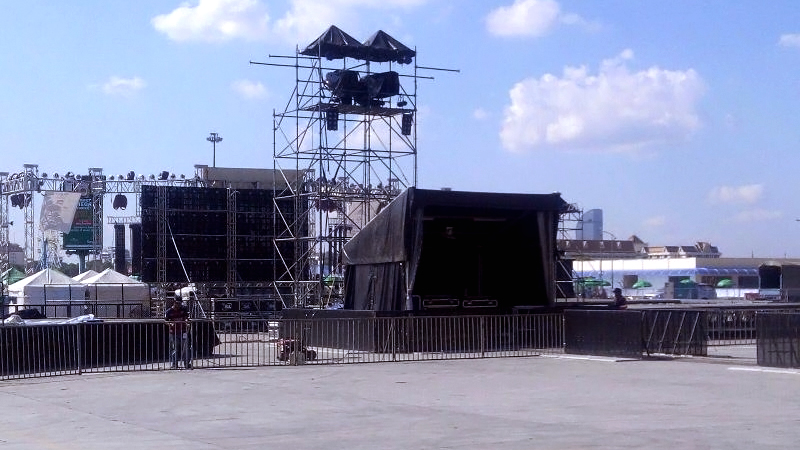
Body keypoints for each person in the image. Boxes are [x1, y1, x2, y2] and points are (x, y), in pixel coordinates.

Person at [165, 298, 192, 369]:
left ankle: (187, 363)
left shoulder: (183, 309)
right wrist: (170, 324)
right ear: (174, 303)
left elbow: (186, 317)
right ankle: (174, 364)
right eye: (177, 303)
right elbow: (166, 321)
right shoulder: (169, 311)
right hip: (173, 332)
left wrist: (187, 322)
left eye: (179, 303)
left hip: (183, 331)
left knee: (186, 348)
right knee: (174, 349)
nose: (178, 305)